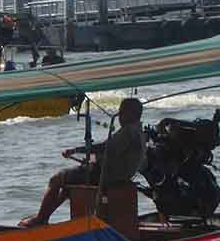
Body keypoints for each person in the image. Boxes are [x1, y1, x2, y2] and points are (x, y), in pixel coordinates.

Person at [18, 98, 145, 228]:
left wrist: (76, 150)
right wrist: (93, 159)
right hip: (117, 176)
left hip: (105, 177)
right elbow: (115, 154)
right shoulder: (138, 131)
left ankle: (40, 219)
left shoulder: (128, 131)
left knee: (56, 179)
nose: (119, 115)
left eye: (122, 112)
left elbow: (105, 147)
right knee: (67, 188)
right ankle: (45, 217)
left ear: (131, 113)